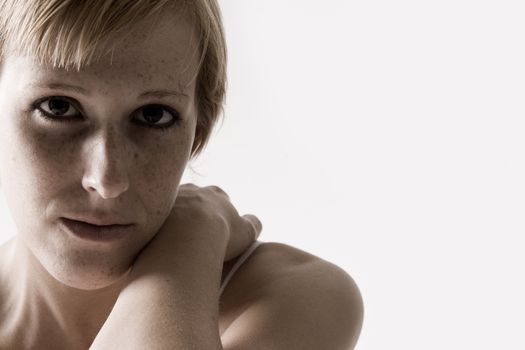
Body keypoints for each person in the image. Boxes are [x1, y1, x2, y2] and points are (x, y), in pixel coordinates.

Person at [0, 0, 363, 349]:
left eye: (153, 116)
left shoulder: (289, 297)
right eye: (58, 108)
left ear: (197, 135)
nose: (106, 180)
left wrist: (189, 237)